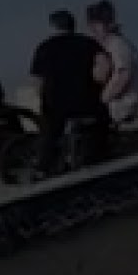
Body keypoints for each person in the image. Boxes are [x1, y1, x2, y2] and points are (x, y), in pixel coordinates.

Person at [29, 9, 110, 174]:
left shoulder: (44, 47)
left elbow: (38, 82)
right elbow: (103, 70)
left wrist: (42, 98)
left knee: (49, 135)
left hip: (56, 106)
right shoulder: (89, 44)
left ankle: (43, 168)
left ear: (52, 27)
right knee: (99, 132)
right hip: (88, 103)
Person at [86, 0, 138, 125]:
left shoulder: (117, 45)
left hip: (120, 107)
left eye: (96, 24)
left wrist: (103, 98)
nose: (92, 30)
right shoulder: (113, 44)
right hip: (117, 107)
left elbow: (123, 75)